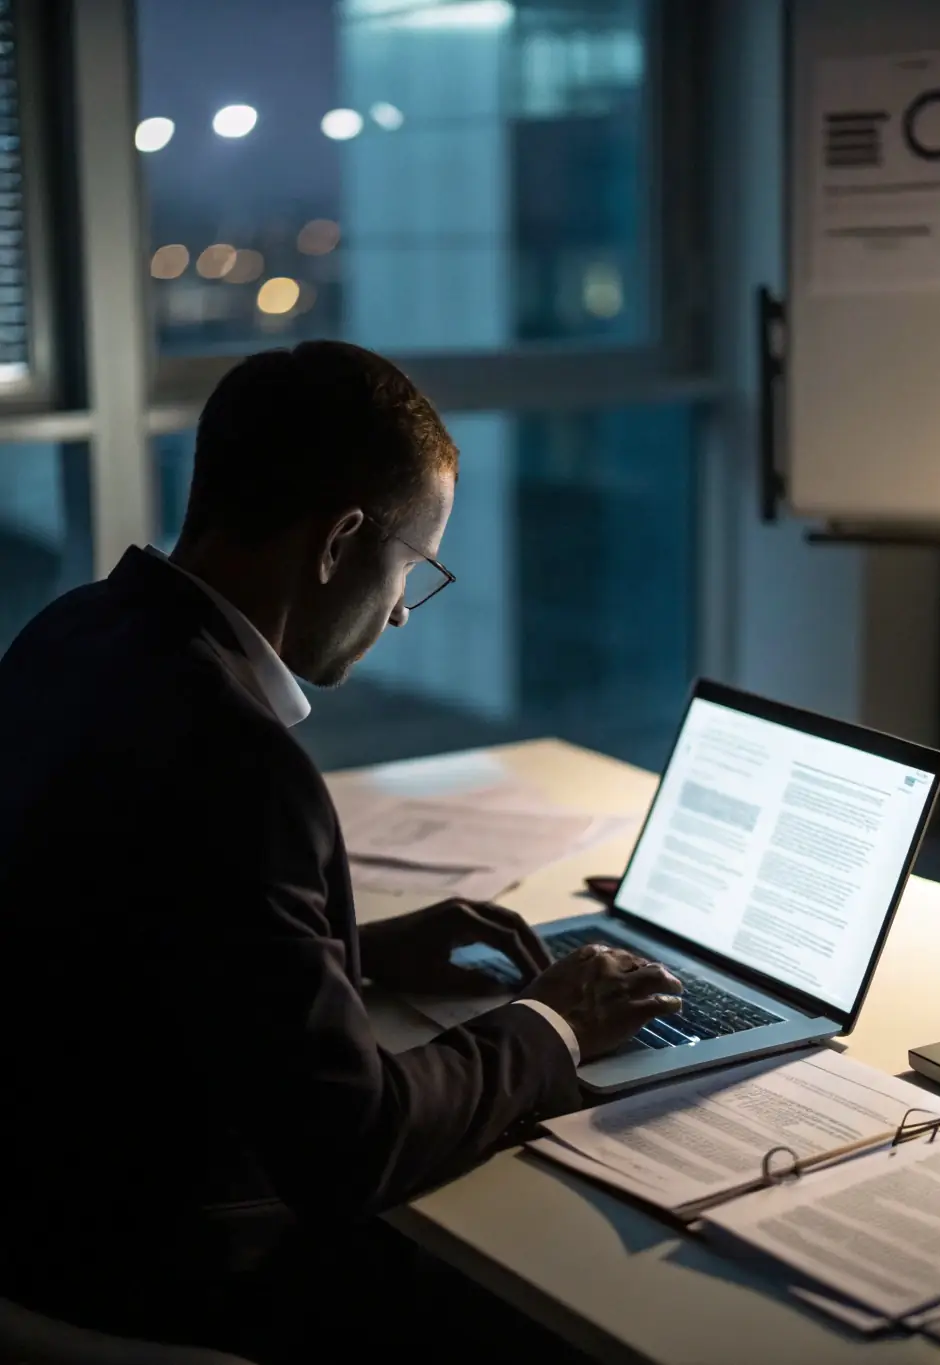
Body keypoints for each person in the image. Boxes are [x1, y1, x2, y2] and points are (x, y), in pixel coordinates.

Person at [0, 342, 682, 1363]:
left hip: (36, 1206)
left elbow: (129, 938)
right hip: (161, 1267)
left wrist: (350, 953)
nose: (403, 607)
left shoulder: (67, 635)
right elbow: (351, 1149)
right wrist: (553, 1020)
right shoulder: (239, 762)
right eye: (413, 566)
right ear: (340, 541)